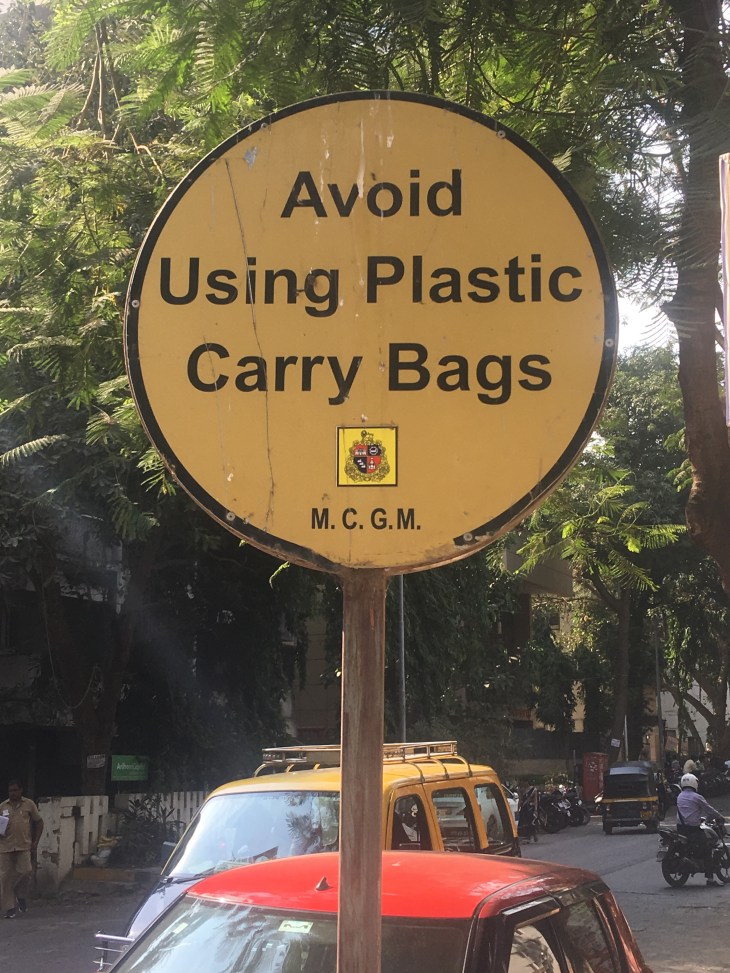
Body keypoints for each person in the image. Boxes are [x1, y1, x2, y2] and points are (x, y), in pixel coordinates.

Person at [0, 779, 44, 918]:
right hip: (5, 846)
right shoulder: (3, 806)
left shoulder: (29, 804)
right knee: (5, 877)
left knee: (26, 871)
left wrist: (35, 841)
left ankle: (20, 895)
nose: (12, 793)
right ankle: (10, 908)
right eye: (10, 791)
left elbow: (39, 821)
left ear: (20, 790)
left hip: (24, 845)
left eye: (15, 790)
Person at [675, 773, 725, 886]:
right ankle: (710, 879)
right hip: (693, 830)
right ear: (694, 783)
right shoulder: (697, 797)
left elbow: (688, 812)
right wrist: (720, 817)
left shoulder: (680, 796)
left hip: (681, 829)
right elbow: (709, 810)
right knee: (707, 849)